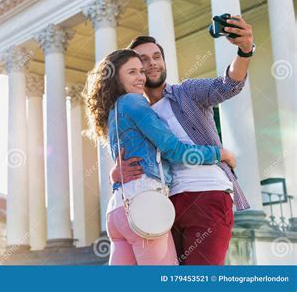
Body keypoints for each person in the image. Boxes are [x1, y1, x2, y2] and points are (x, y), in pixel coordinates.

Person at [110, 15, 255, 265]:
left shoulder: (186, 92)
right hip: (163, 204)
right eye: (143, 60)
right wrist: (115, 173)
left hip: (207, 193)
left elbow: (227, 85)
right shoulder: (134, 111)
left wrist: (244, 51)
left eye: (157, 57)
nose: (152, 63)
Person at [82, 49, 236, 265]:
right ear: (116, 78)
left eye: (141, 72)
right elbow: (174, 150)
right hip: (144, 201)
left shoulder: (113, 111)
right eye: (132, 72)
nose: (141, 78)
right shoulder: (134, 102)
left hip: (117, 210)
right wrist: (220, 153)